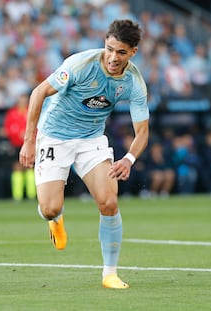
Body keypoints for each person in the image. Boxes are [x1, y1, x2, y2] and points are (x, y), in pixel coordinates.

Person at [19, 19, 149, 289]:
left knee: (109, 202)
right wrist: (29, 141)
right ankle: (55, 220)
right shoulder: (81, 65)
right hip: (54, 135)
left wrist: (128, 159)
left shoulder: (134, 81)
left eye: (121, 52)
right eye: (109, 49)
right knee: (49, 207)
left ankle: (109, 274)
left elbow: (143, 131)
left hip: (91, 140)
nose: (113, 57)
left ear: (133, 52)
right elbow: (38, 92)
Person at [3, 93, 36, 201]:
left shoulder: (31, 111)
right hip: (16, 144)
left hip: (30, 144)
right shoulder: (12, 113)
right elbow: (7, 129)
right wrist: (18, 133)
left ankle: (31, 195)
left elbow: (37, 128)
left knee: (29, 168)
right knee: (17, 168)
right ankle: (18, 196)